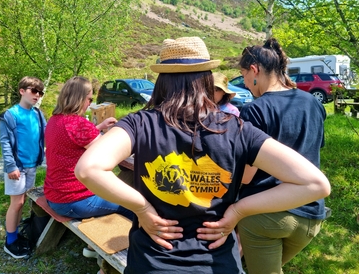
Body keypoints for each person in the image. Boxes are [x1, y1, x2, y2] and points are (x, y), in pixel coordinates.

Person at [75, 36, 330, 274]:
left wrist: (142, 208)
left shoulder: (140, 123)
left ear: (163, 80)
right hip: (216, 263)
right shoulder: (238, 129)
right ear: (208, 79)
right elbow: (314, 184)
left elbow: (88, 169)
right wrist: (238, 211)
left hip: (153, 261)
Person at [235, 38, 327, 273]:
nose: (245, 84)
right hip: (311, 216)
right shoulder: (312, 103)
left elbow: (246, 176)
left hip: (265, 218)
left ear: (254, 70)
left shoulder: (254, 110)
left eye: (244, 75)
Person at [43, 76, 133, 235]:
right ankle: (130, 245)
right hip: (73, 200)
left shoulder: (55, 119)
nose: (90, 103)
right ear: (79, 98)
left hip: (54, 194)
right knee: (131, 204)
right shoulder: (78, 124)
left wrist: (98, 127)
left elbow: (75, 140)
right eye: (89, 99)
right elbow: (109, 152)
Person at [0, 76, 47, 259]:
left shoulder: (38, 114)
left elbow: (48, 133)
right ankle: (10, 242)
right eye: (34, 91)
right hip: (17, 168)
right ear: (22, 91)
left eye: (40, 92)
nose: (37, 95)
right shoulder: (11, 115)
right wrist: (11, 166)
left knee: (22, 202)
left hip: (32, 166)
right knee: (16, 203)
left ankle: (15, 235)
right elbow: (4, 143)